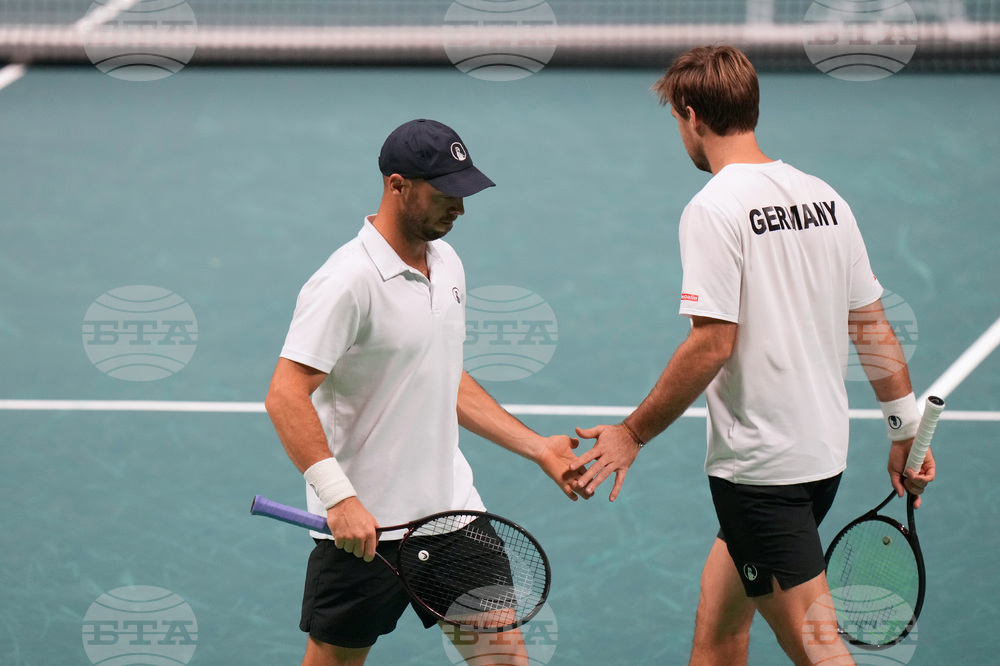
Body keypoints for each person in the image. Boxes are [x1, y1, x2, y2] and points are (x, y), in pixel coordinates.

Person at [568, 46, 936, 666]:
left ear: (691, 116)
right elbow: (870, 321)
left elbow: (712, 342)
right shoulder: (824, 197)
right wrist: (903, 429)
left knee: (821, 652)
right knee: (718, 636)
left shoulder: (714, 208)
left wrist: (632, 433)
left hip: (762, 476)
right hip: (820, 460)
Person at [265, 118, 584, 666]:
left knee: (506, 659)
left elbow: (443, 374)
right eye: (445, 193)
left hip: (451, 514)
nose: (459, 208)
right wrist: (339, 498)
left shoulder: (447, 262)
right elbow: (285, 394)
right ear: (397, 185)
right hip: (365, 530)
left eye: (465, 192)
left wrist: (537, 448)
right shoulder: (346, 281)